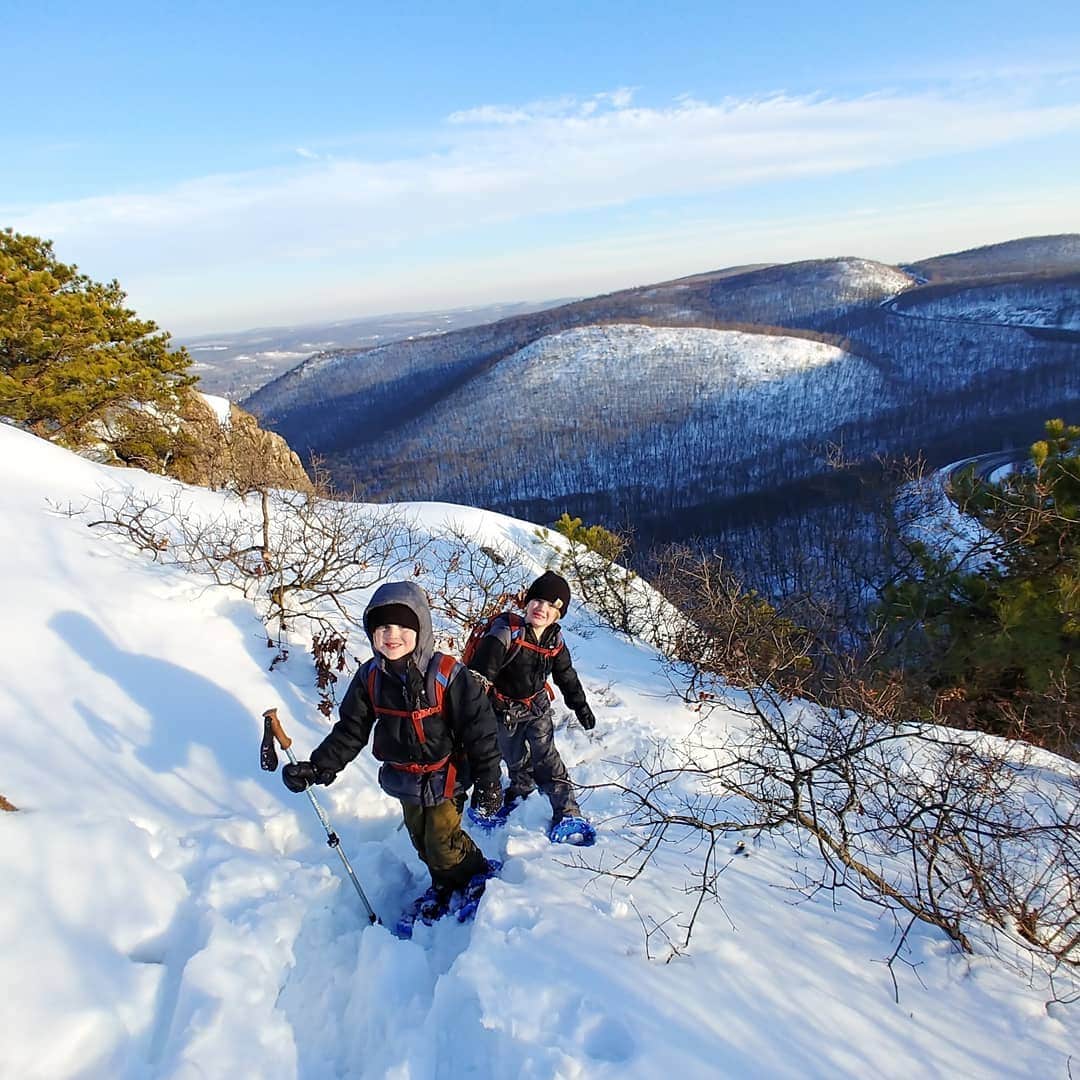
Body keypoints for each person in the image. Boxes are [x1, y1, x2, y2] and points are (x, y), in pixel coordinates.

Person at [281, 581, 503, 905]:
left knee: (442, 839)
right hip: (406, 777)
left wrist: (488, 781)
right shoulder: (370, 678)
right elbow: (351, 730)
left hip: (447, 773)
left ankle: (474, 873)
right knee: (422, 841)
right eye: (383, 626)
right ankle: (444, 883)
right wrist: (317, 767)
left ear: (421, 629)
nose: (392, 634)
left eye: (403, 626)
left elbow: (479, 729)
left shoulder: (446, 674)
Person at [466, 571, 596, 827]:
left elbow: (566, 676)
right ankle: (520, 789)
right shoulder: (506, 632)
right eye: (537, 600)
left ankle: (568, 812)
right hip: (503, 711)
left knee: (547, 758)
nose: (541, 608)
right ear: (527, 601)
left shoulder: (554, 642)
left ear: (558, 615)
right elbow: (481, 674)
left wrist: (580, 706)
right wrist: (469, 713)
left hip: (536, 708)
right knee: (512, 757)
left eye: (551, 606)